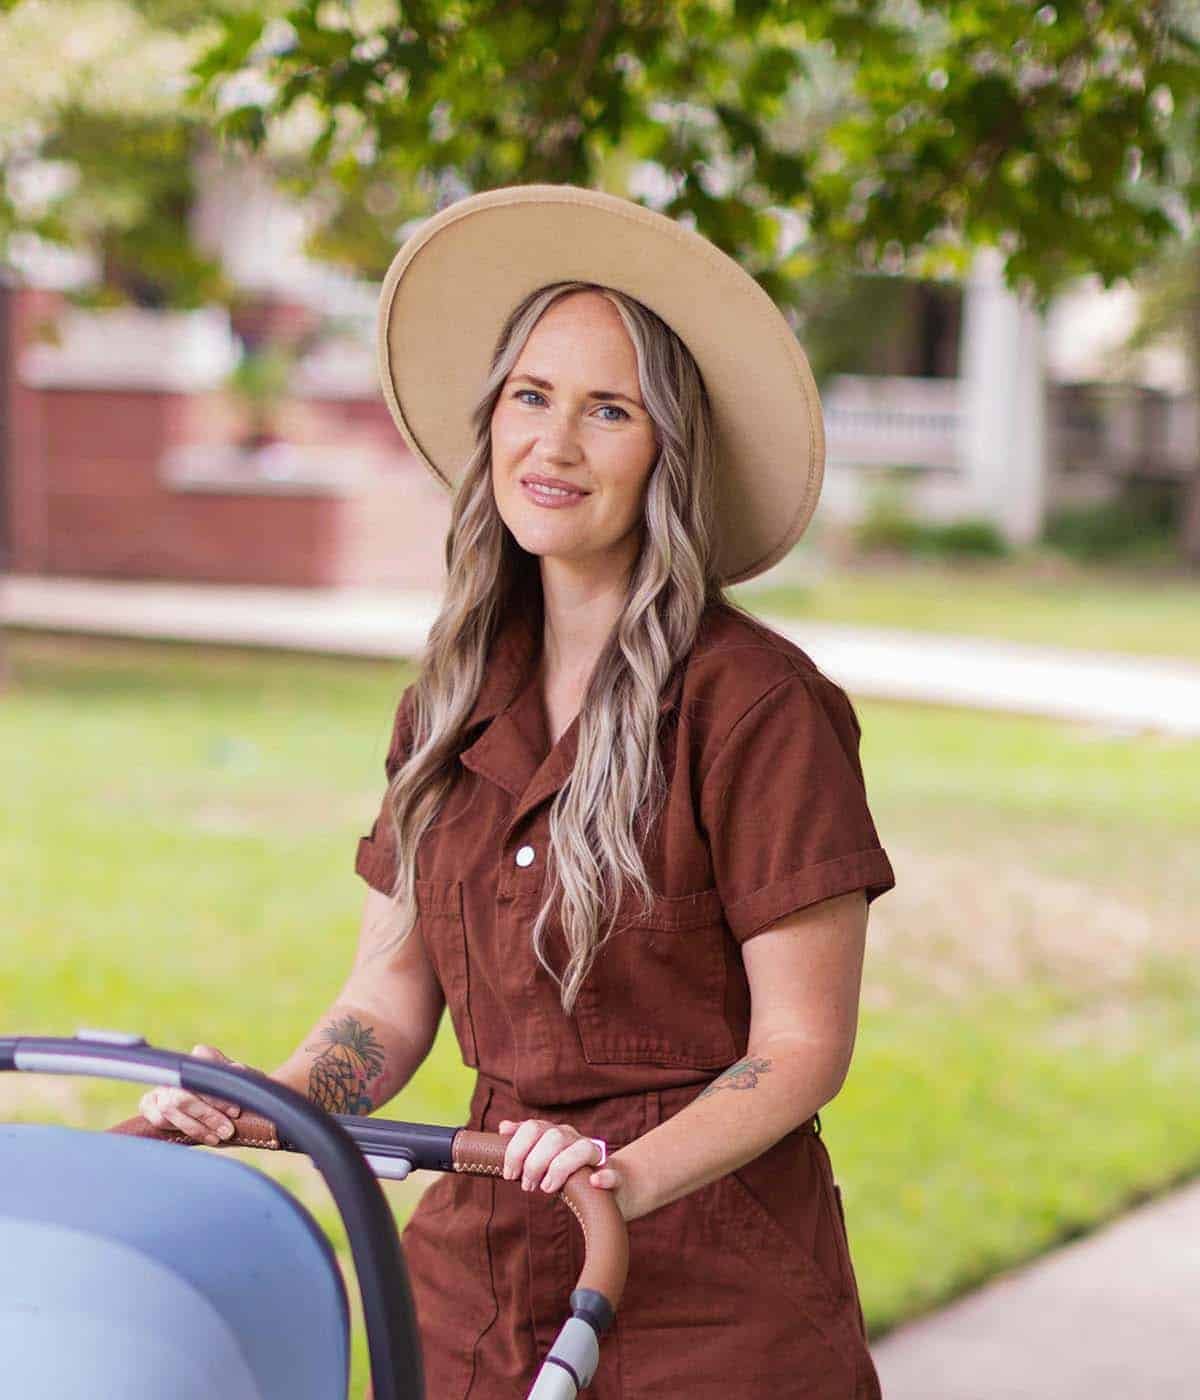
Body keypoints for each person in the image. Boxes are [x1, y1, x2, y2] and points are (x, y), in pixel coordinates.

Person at [140, 184, 897, 1398]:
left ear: (667, 452)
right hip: (478, 1278)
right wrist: (266, 1103)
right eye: (531, 396)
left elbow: (801, 1046)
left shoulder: (758, 705)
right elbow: (389, 996)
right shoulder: (448, 699)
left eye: (610, 410)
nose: (554, 444)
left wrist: (617, 1180)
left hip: (714, 1296)